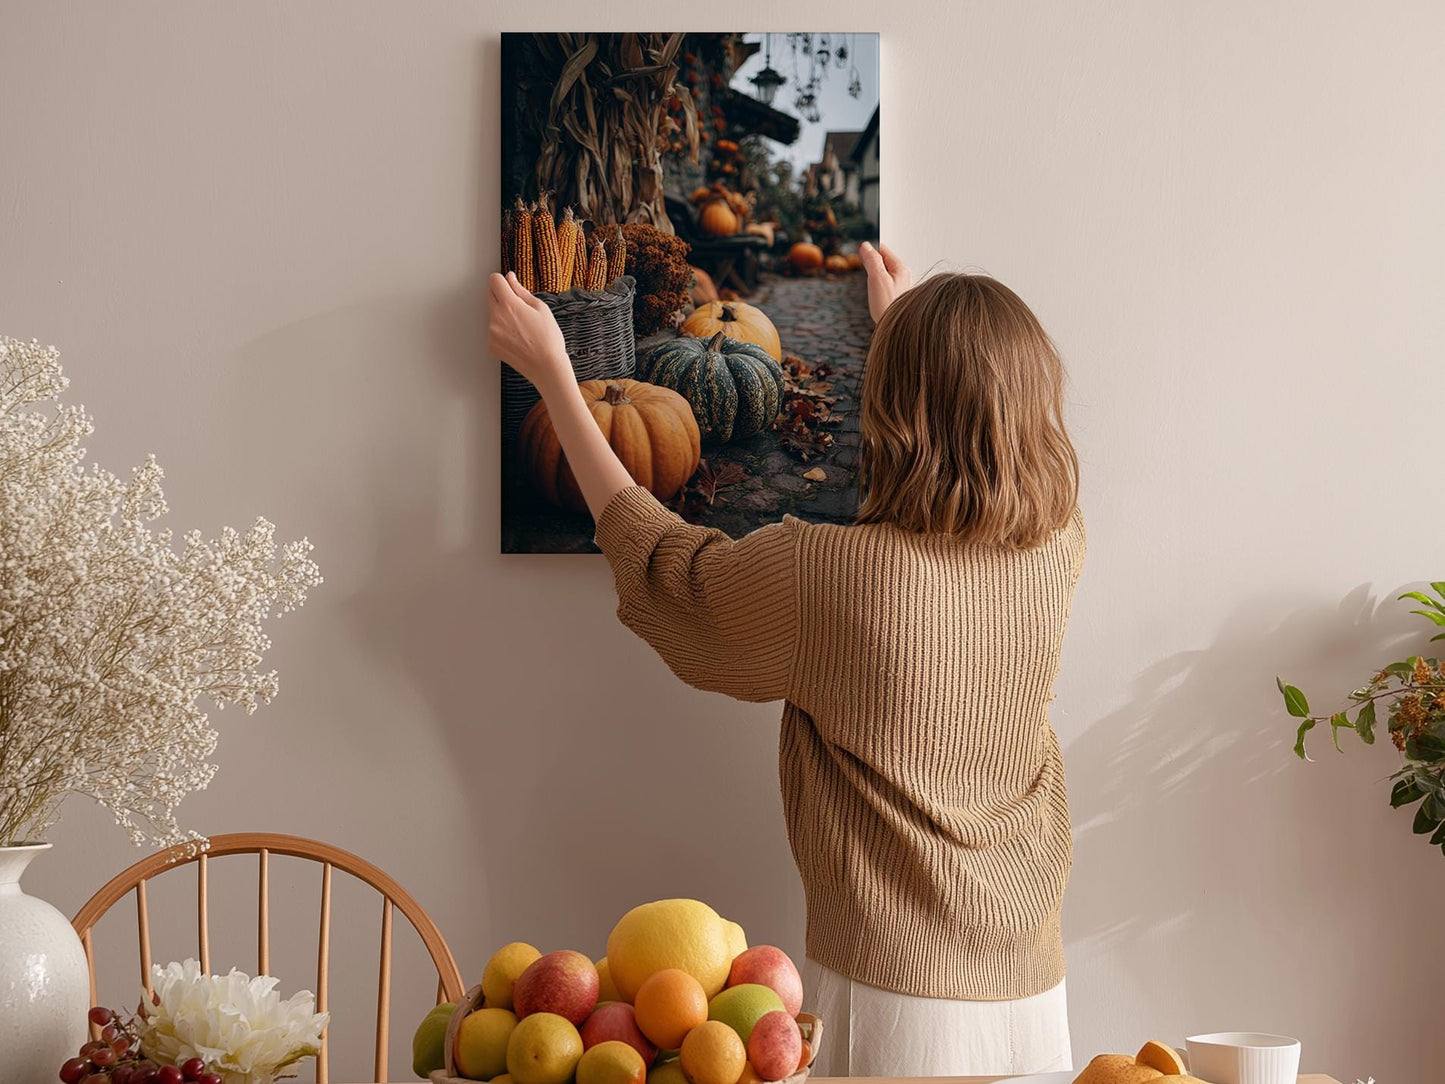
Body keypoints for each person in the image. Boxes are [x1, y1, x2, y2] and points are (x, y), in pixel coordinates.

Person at [487, 242, 1084, 1076]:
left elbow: (668, 568)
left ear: (893, 401)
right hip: (1032, 980)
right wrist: (902, 331)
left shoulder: (826, 575)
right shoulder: (1056, 547)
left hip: (893, 992)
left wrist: (557, 376)